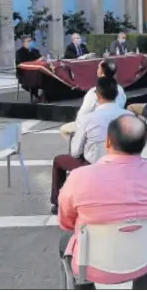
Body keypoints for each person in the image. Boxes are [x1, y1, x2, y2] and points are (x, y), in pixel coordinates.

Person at [58, 115, 147, 289]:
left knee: (66, 240)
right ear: (144, 144)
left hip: (92, 267)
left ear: (108, 141)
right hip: (146, 261)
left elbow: (66, 222)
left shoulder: (79, 178)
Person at [51, 77, 131, 214]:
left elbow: (75, 152)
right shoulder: (130, 116)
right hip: (123, 164)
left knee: (59, 161)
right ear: (118, 94)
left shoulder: (87, 119)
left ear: (97, 95)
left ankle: (58, 203)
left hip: (94, 166)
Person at [60, 60, 127, 137]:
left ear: (101, 71)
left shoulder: (93, 92)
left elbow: (82, 116)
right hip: (116, 125)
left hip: (96, 127)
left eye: (98, 67)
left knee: (64, 129)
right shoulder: (120, 89)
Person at [15, 35, 42, 101]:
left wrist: (41, 59)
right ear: (24, 43)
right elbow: (23, 63)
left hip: (37, 72)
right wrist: (36, 61)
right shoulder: (19, 52)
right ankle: (36, 96)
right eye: (29, 41)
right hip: (24, 73)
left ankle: (44, 96)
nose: (31, 42)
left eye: (31, 41)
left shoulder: (35, 51)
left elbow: (40, 59)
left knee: (45, 77)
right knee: (33, 79)